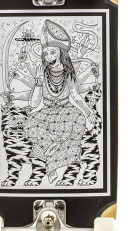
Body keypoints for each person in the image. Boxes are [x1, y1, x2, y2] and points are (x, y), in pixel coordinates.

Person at [24, 20, 95, 185]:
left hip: (66, 110)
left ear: (61, 53)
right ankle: (53, 147)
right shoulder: (43, 73)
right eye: (46, 53)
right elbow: (34, 103)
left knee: (78, 120)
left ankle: (51, 160)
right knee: (31, 121)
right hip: (47, 111)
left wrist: (87, 111)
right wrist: (38, 82)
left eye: (52, 52)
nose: (48, 56)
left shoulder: (68, 73)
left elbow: (75, 96)